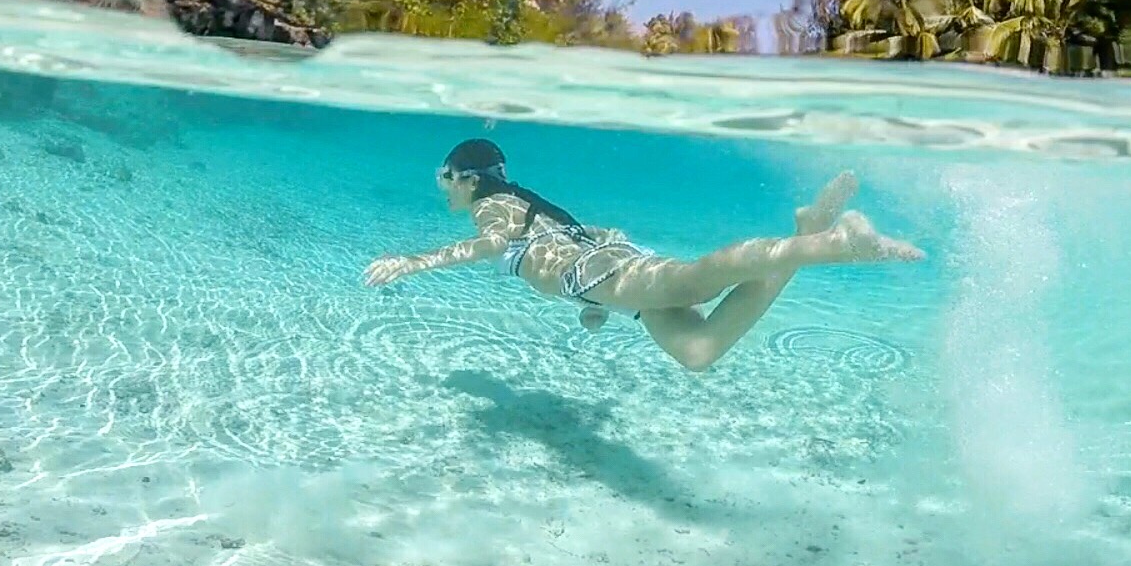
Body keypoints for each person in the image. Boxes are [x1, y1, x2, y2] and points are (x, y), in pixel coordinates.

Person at [362, 138, 923, 371]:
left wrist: (413, 262)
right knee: (699, 350)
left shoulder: (492, 206)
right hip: (604, 276)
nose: (443, 187)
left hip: (603, 271)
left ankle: (833, 243)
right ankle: (808, 232)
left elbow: (494, 245)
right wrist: (598, 304)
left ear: (465, 177)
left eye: (444, 177)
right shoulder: (519, 200)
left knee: (698, 280)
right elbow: (558, 251)